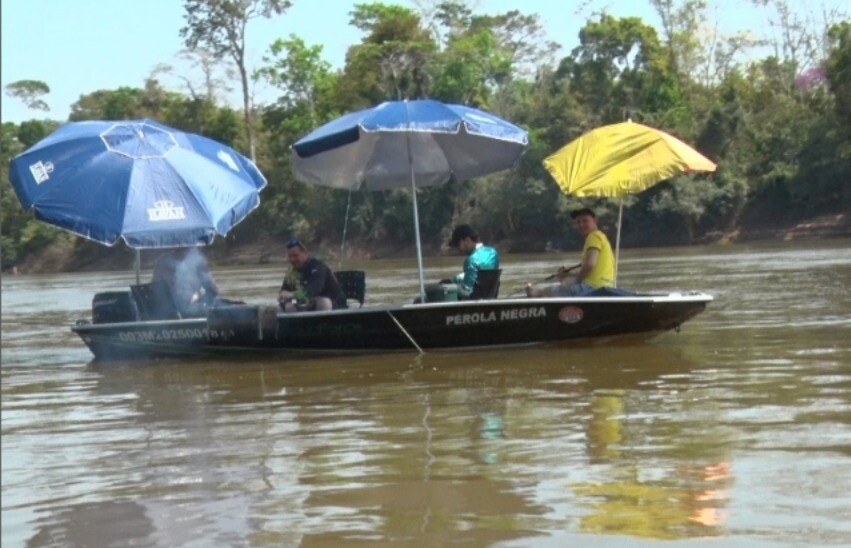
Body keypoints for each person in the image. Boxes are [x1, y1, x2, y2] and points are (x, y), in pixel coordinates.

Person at [526, 207, 614, 297]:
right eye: (578, 222)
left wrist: (573, 277)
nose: (581, 225)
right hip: (604, 286)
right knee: (567, 280)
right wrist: (568, 274)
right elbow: (589, 267)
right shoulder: (602, 237)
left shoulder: (593, 236)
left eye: (585, 221)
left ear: (595, 220)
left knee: (550, 290)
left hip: (591, 288)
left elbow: (589, 265)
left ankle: (536, 291)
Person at [278, 238, 347, 312]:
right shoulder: (292, 272)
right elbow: (283, 293)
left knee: (323, 302)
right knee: (289, 305)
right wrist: (282, 297)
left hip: (332, 302)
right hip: (307, 302)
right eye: (290, 256)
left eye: (295, 256)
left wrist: (293, 295)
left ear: (305, 253)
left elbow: (311, 291)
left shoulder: (318, 267)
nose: (292, 259)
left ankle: (323, 323)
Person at [151, 247, 219, 316]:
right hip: (170, 312)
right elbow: (154, 291)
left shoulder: (198, 261)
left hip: (194, 309)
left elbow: (212, 290)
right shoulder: (163, 262)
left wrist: (196, 296)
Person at [446, 224, 500, 300]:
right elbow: (480, 273)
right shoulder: (493, 253)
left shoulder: (471, 260)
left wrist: (451, 288)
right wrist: (456, 278)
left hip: (474, 302)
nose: (458, 249)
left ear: (467, 240)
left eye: (458, 245)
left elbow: (466, 291)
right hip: (490, 297)